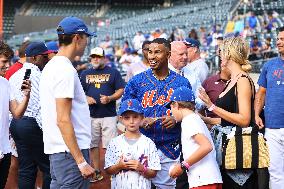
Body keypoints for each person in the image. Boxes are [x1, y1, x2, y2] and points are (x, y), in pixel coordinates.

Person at [199, 36, 269, 189]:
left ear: (229, 54)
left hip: (241, 155)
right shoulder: (232, 80)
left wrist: (212, 107)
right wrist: (204, 119)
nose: (219, 55)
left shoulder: (242, 80)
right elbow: (229, 119)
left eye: (221, 52)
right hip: (228, 151)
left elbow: (244, 119)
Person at [122, 38, 192, 188]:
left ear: (168, 54)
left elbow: (190, 113)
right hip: (142, 146)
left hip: (170, 147)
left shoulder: (181, 82)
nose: (151, 56)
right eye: (149, 52)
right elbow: (123, 111)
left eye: (157, 52)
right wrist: (139, 120)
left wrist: (175, 119)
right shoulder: (137, 81)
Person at [39, 16, 96, 188]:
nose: (87, 42)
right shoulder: (64, 69)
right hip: (70, 153)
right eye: (86, 37)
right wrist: (80, 161)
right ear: (77, 38)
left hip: (59, 151)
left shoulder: (52, 66)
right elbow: (63, 119)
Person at [9, 41, 51, 189]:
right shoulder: (39, 75)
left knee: (26, 169)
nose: (46, 59)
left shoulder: (15, 75)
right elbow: (42, 107)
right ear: (34, 58)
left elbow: (11, 106)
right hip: (31, 124)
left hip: (16, 124)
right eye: (44, 56)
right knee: (49, 168)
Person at [80, 47, 125, 183]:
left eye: (98, 57)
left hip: (109, 115)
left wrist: (110, 98)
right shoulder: (85, 73)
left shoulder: (113, 72)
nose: (95, 59)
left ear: (104, 58)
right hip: (91, 115)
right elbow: (79, 92)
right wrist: (86, 98)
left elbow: (121, 90)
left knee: (110, 145)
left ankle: (112, 170)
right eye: (93, 56)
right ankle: (97, 170)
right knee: (93, 144)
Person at [167, 86, 222, 189]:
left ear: (176, 105)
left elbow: (206, 146)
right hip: (208, 178)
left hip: (203, 180)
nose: (171, 112)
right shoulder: (194, 119)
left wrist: (183, 166)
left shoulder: (189, 120)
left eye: (171, 107)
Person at [105, 99, 161, 189]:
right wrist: (119, 166)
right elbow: (108, 170)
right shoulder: (114, 143)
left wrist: (142, 168)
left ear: (142, 118)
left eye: (135, 117)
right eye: (127, 117)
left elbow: (153, 173)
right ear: (121, 119)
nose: (131, 121)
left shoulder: (149, 143)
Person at [254, 26, 284, 189]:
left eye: (282, 39)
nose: (278, 42)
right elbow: (261, 93)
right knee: (275, 173)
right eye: (278, 39)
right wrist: (257, 114)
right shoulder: (269, 65)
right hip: (272, 127)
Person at [0, 41, 31, 189]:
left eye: (9, 61)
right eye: (4, 61)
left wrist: (26, 96)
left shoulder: (6, 84)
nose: (8, 65)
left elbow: (17, 114)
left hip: (5, 151)